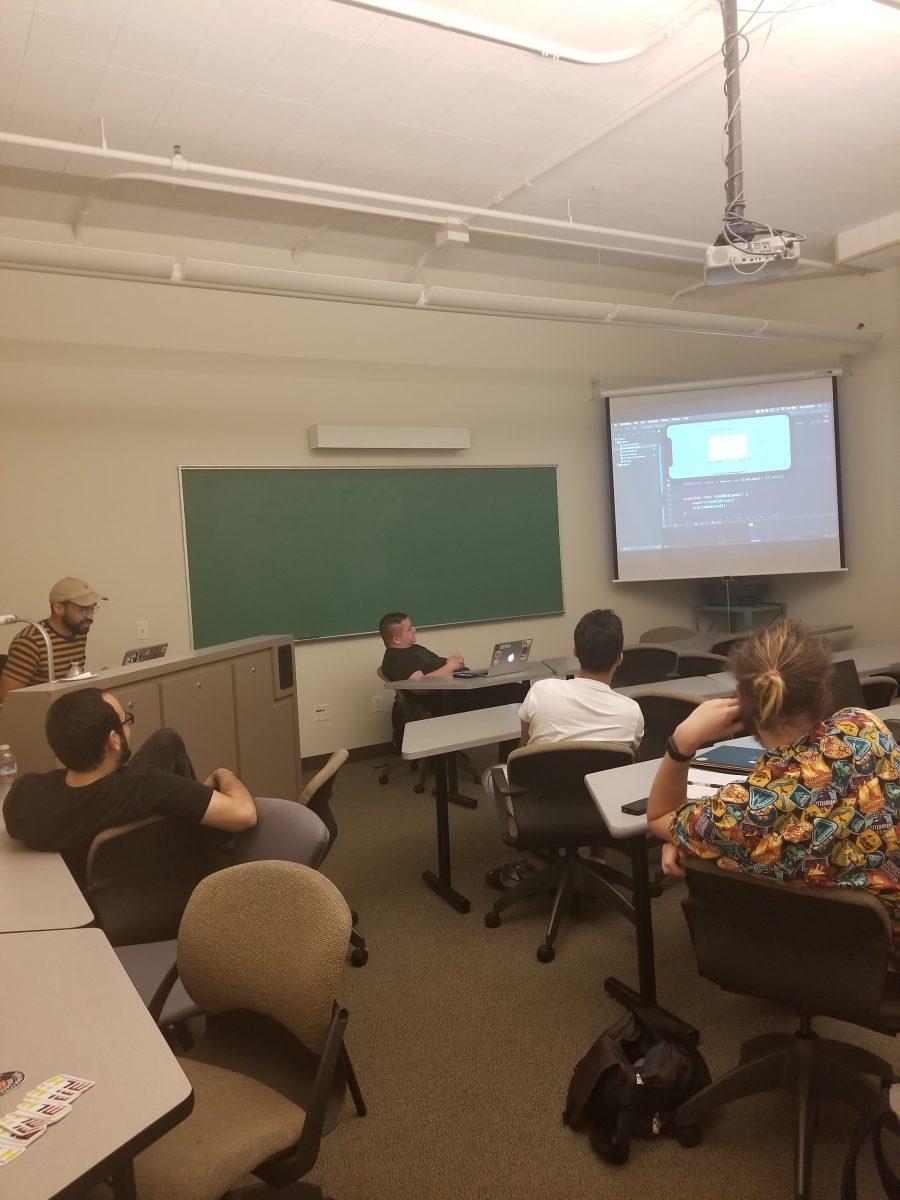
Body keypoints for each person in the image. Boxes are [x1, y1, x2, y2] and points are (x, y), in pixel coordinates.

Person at [647, 621, 900, 936]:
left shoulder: (736, 815)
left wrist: (682, 743)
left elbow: (658, 816)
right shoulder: (865, 725)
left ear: (741, 699)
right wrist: (688, 832)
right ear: (822, 689)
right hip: (881, 926)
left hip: (827, 938)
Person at [3, 688, 257, 889]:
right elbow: (245, 814)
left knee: (165, 741)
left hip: (90, 894)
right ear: (114, 740)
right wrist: (225, 774)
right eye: (125, 722)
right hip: (161, 893)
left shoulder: (26, 794)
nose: (129, 727)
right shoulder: (144, 787)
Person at [484, 608, 644, 888]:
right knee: (609, 776)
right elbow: (625, 769)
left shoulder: (542, 691)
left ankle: (535, 862)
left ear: (575, 651)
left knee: (493, 773)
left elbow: (523, 749)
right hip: (602, 813)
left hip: (538, 808)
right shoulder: (631, 712)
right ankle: (598, 861)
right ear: (620, 658)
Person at [0, 577, 106, 705]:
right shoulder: (30, 642)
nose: (89, 616)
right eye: (83, 610)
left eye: (92, 608)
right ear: (58, 608)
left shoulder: (78, 632)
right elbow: (6, 701)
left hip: (67, 711)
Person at [378, 612, 466, 681]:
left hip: (465, 682)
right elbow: (420, 685)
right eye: (409, 629)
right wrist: (451, 666)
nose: (414, 630)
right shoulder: (395, 659)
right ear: (396, 640)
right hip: (449, 698)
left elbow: (434, 665)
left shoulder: (415, 648)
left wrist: (452, 662)